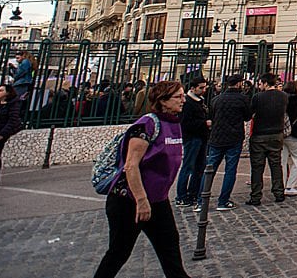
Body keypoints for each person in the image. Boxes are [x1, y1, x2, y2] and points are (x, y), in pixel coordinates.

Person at [93, 80, 191, 278]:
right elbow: (131, 165)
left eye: (183, 96)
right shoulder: (147, 124)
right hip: (129, 200)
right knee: (119, 252)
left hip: (157, 199)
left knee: (170, 248)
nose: (183, 100)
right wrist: (141, 200)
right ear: (163, 101)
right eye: (178, 97)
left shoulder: (174, 123)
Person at [196, 74, 250, 212]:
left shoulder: (216, 99)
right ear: (238, 84)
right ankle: (223, 201)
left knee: (210, 170)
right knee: (230, 170)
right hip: (234, 138)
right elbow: (247, 116)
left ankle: (201, 201)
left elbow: (211, 116)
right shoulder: (242, 99)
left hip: (216, 138)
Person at [246, 73, 288, 206]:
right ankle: (279, 192)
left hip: (260, 134)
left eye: (260, 84)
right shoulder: (283, 96)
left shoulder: (258, 97)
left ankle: (256, 196)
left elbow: (249, 114)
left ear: (265, 83)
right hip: (276, 134)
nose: (259, 86)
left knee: (257, 167)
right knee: (276, 165)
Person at [174, 76, 209, 206]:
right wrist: (204, 123)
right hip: (192, 138)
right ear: (193, 88)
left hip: (201, 137)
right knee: (188, 166)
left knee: (200, 167)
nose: (204, 90)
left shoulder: (200, 101)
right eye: (201, 88)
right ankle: (181, 195)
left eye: (205, 87)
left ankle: (193, 193)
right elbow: (185, 123)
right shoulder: (188, 102)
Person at [0, 84, 23, 187]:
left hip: (2, 133)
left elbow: (13, 121)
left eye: (1, 90)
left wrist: (2, 134)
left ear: (7, 93)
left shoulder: (13, 104)